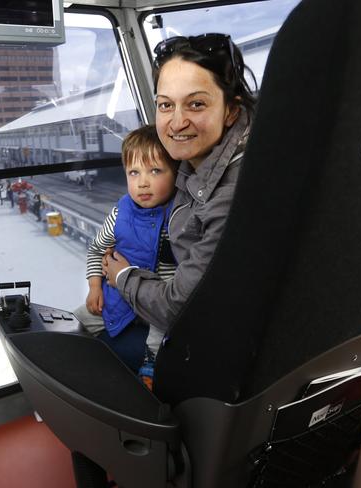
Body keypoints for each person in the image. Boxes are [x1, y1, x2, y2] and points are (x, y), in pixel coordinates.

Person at [102, 34, 257, 387]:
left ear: (231, 110)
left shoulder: (232, 195)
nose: (176, 123)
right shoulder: (195, 160)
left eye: (196, 105)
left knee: (100, 350)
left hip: (211, 343)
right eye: (165, 105)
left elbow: (179, 309)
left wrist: (121, 277)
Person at [74, 125, 178, 383]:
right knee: (74, 321)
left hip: (155, 307)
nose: (143, 182)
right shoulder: (120, 213)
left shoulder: (179, 217)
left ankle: (150, 367)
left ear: (176, 172)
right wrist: (95, 287)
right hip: (118, 297)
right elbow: (97, 249)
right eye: (134, 172)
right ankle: (69, 378)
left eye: (155, 171)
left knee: (160, 335)